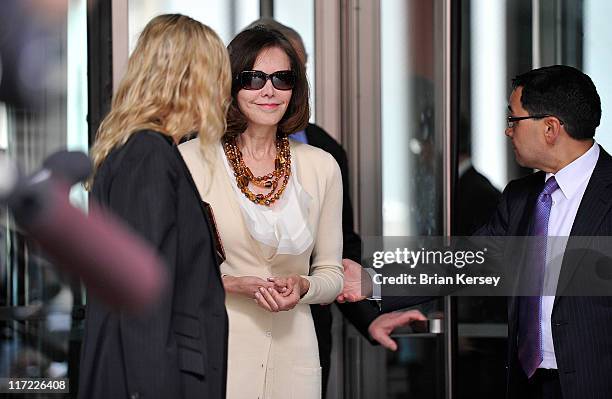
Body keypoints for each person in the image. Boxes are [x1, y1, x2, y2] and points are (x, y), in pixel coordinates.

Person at [340, 65, 612, 399]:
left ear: (551, 128)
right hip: (528, 385)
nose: (507, 131)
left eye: (513, 119)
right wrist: (371, 281)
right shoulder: (521, 197)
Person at [179, 26, 343, 399]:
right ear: (230, 83)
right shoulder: (191, 161)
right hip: (220, 352)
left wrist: (304, 286)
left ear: (295, 88)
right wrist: (232, 284)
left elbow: (331, 272)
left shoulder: (322, 166)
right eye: (252, 78)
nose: (268, 91)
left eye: (282, 79)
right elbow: (169, 271)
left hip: (296, 358)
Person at [78, 14, 230, 399]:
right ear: (188, 79)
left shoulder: (144, 152)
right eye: (215, 75)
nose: (222, 91)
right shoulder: (147, 156)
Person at [244, 18, 398, 395]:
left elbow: (340, 247)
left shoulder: (326, 153)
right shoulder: (205, 151)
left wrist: (369, 317)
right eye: (261, 76)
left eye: (288, 74)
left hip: (307, 327)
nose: (274, 89)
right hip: (235, 326)